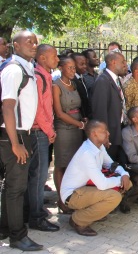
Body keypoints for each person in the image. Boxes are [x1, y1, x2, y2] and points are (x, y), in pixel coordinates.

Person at [0, 31, 42, 251]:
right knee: (17, 188)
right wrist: (16, 143)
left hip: (20, 133)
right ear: (15, 45)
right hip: (12, 135)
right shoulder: (14, 70)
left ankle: (6, 228)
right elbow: (7, 106)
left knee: (12, 187)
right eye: (29, 42)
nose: (34, 45)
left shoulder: (26, 67)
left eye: (36, 42)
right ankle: (17, 237)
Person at [61, 120, 132, 236]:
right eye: (104, 131)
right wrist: (120, 180)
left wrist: (125, 174)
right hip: (72, 195)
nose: (108, 134)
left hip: (85, 189)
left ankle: (92, 213)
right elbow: (102, 184)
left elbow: (111, 164)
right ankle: (78, 220)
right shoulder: (87, 153)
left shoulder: (98, 147)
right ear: (94, 134)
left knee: (127, 183)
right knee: (114, 197)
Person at [27, 44, 60, 232]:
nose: (57, 59)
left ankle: (35, 211)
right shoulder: (39, 78)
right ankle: (36, 217)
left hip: (43, 131)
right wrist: (49, 130)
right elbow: (38, 108)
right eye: (53, 56)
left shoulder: (45, 76)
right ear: (42, 58)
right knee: (38, 177)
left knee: (38, 176)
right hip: (39, 131)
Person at [52, 56, 85, 214]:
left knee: (73, 164)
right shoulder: (56, 86)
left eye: (74, 67)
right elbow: (59, 113)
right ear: (61, 68)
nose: (73, 70)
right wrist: (78, 124)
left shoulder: (74, 84)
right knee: (62, 164)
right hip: (64, 128)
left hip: (77, 128)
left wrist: (82, 120)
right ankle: (61, 199)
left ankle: (72, 197)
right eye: (69, 67)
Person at [91, 50, 129, 164]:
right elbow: (100, 111)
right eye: (122, 62)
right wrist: (104, 135)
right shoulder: (103, 81)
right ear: (113, 62)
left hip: (117, 130)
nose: (125, 65)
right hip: (109, 134)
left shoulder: (116, 80)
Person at [70, 52, 91, 119]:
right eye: (82, 64)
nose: (85, 66)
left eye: (85, 64)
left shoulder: (81, 78)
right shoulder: (72, 81)